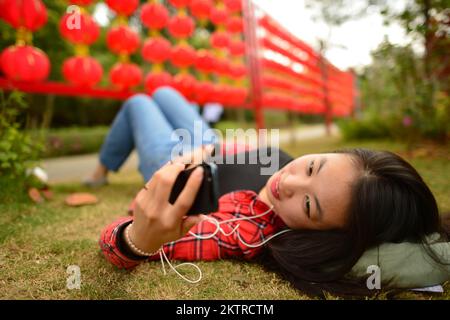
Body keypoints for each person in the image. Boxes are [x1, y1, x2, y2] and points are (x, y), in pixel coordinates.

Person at [95, 87, 449, 296]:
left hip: (173, 163)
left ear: (320, 233)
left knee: (140, 102)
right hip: (210, 146)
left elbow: (126, 239)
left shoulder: (246, 230)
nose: (289, 183)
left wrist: (135, 239)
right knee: (165, 92)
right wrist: (210, 150)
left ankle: (99, 172)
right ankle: (104, 168)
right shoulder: (302, 173)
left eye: (309, 205)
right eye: (312, 167)